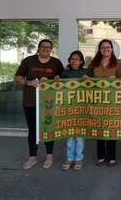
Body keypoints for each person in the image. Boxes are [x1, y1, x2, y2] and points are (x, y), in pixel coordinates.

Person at [14, 39, 64, 170]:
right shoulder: (28, 61)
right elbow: (17, 77)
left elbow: (63, 78)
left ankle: (49, 156)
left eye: (48, 47)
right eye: (43, 47)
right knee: (33, 130)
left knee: (48, 129)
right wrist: (29, 82)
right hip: (30, 102)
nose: (46, 49)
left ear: (51, 50)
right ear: (39, 48)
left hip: (49, 103)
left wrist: (56, 79)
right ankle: (32, 157)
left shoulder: (56, 62)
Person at [88, 39, 121, 167]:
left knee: (111, 127)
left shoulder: (117, 64)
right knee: (99, 128)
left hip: (112, 102)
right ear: (99, 49)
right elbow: (87, 80)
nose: (105, 49)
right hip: (97, 101)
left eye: (108, 47)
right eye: (103, 47)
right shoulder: (93, 64)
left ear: (112, 49)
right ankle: (101, 155)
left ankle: (111, 156)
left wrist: (116, 80)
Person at [56, 51, 93, 171]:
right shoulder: (65, 73)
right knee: (69, 135)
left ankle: (79, 159)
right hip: (68, 109)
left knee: (79, 136)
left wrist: (89, 80)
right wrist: (56, 78)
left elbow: (96, 86)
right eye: (72, 59)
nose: (74, 61)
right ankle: (69, 158)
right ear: (69, 60)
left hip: (82, 109)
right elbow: (56, 86)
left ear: (81, 61)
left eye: (77, 59)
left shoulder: (87, 72)